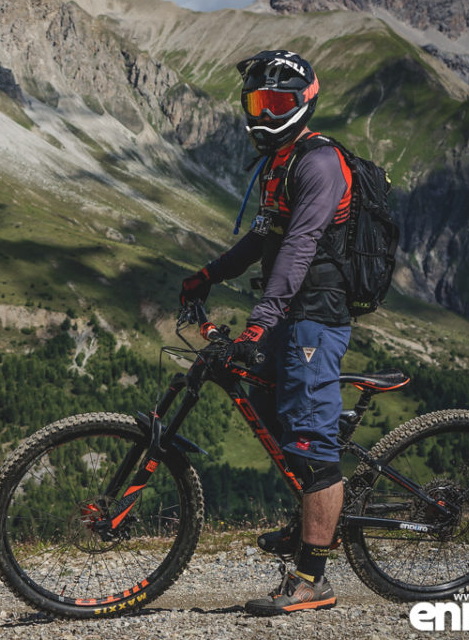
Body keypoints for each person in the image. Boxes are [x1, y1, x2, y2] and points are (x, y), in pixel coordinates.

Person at [178, 50, 353, 616]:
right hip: (288, 311)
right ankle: (311, 518)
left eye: (276, 102)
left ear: (303, 103)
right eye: (257, 102)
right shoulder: (280, 161)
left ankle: (313, 578)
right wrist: (207, 275)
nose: (264, 112)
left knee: (312, 441)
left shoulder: (319, 164)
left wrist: (260, 323)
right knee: (264, 400)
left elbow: (300, 245)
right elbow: (261, 239)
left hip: (316, 315)